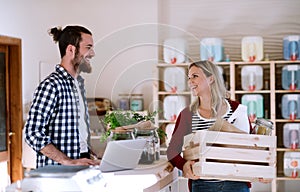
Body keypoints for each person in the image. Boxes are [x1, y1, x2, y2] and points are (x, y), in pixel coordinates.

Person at [166, 60, 252, 192]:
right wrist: (183, 165)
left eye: (195, 76)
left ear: (211, 78)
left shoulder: (236, 110)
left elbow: (252, 147)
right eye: (189, 78)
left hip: (236, 183)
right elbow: (172, 150)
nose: (190, 82)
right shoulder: (187, 115)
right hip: (203, 184)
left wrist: (263, 169)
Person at [24, 25, 100, 168]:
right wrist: (67, 161)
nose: (93, 53)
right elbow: (32, 133)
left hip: (81, 166)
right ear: (71, 49)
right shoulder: (51, 85)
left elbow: (76, 132)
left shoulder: (79, 85)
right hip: (58, 174)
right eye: (88, 47)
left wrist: (89, 153)